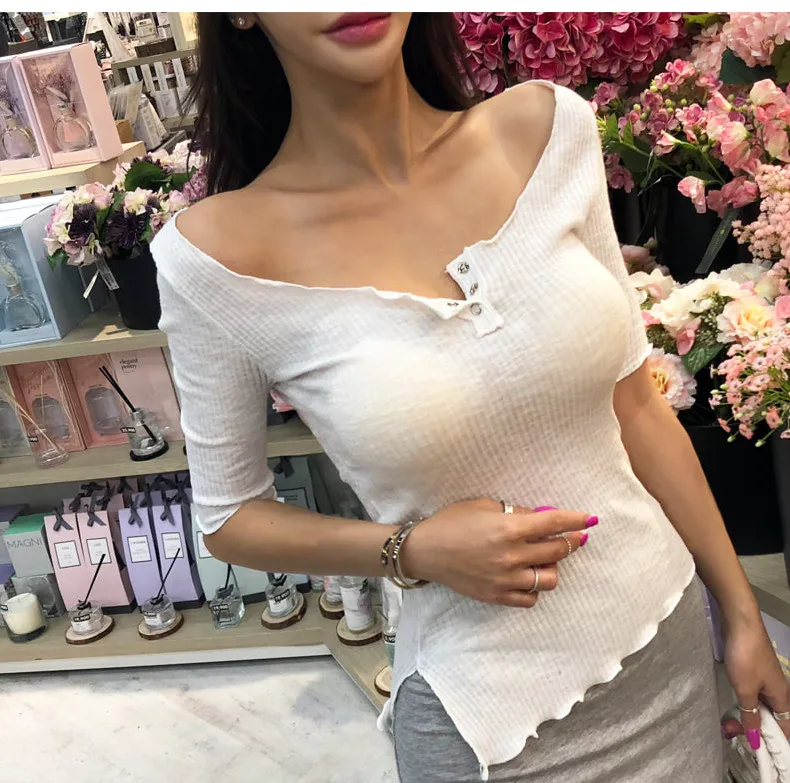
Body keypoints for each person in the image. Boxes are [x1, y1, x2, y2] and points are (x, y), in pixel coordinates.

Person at [151, 12, 790, 783]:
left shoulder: (549, 128)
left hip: (669, 642)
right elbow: (229, 518)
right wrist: (409, 549)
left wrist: (743, 613)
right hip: (492, 728)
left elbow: (638, 407)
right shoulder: (214, 258)